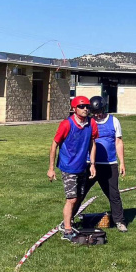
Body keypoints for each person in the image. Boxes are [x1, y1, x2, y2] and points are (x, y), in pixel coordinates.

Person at [48, 95, 98, 241]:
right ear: (74, 108)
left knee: (79, 197)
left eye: (87, 106)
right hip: (68, 166)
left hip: (82, 166)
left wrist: (92, 164)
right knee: (71, 199)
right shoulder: (66, 124)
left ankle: (68, 222)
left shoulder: (91, 123)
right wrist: (51, 168)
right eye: (81, 107)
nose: (85, 109)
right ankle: (67, 229)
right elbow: (54, 144)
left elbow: (92, 143)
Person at [81, 95, 128, 232]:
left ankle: (119, 221)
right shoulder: (88, 122)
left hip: (109, 164)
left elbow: (118, 142)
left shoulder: (114, 121)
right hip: (90, 164)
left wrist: (122, 163)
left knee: (113, 194)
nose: (98, 115)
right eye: (95, 113)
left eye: (100, 112)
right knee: (80, 192)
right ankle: (69, 219)